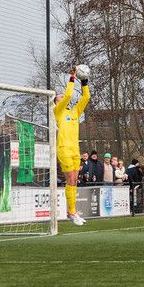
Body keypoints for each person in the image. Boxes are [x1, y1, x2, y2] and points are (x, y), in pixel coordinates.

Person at [53, 66, 90, 226]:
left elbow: (86, 98)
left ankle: (72, 211)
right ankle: (72, 211)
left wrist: (84, 82)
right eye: (59, 97)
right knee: (70, 179)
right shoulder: (58, 111)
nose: (62, 97)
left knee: (75, 180)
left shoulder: (74, 112)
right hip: (64, 148)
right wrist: (72, 77)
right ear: (56, 101)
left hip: (75, 149)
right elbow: (68, 95)